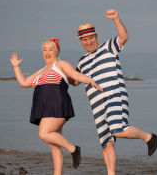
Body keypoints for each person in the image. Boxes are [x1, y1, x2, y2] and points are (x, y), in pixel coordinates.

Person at [71, 9, 157, 175]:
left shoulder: (108, 47)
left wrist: (116, 19)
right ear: (81, 41)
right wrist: (59, 70)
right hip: (97, 106)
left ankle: (149, 137)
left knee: (118, 129)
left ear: (96, 37)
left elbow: (124, 37)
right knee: (106, 142)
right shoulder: (81, 62)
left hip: (114, 96)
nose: (88, 42)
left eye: (90, 38)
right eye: (84, 39)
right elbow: (74, 81)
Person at [10, 38, 103, 175]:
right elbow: (23, 82)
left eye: (50, 49)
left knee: (44, 133)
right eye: (44, 49)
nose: (47, 52)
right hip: (44, 109)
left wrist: (90, 81)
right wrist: (16, 66)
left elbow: (75, 75)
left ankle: (73, 149)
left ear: (57, 51)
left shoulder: (60, 64)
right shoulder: (40, 71)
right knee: (54, 145)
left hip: (58, 105)